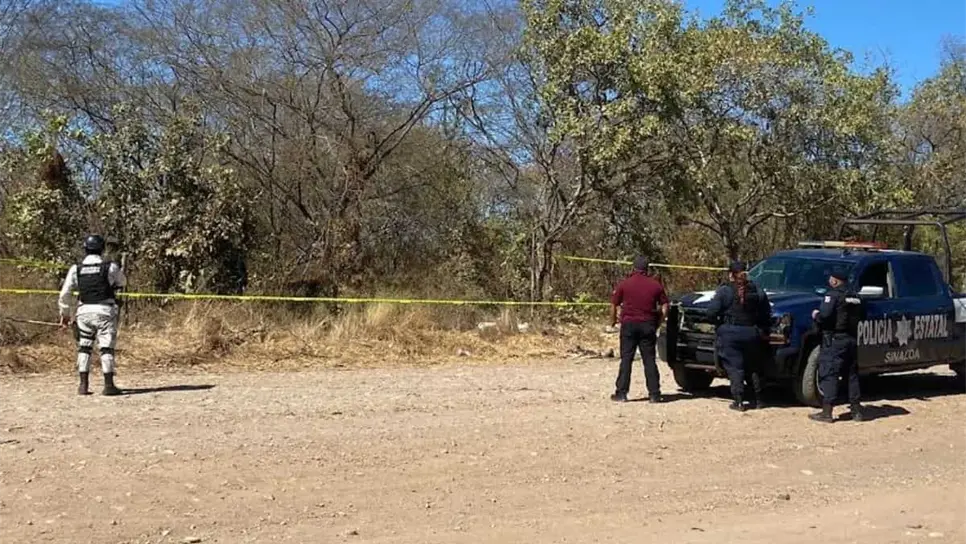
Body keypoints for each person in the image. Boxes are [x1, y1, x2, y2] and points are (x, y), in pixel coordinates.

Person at [58, 234, 126, 396]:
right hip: (105, 311)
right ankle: (109, 385)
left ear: (85, 249)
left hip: (84, 311)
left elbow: (64, 294)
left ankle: (83, 385)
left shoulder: (76, 269)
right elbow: (123, 282)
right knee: (106, 348)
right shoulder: (110, 267)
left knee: (84, 347)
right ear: (102, 249)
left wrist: (65, 315)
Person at [705, 261, 771, 411]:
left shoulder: (725, 291)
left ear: (731, 275)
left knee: (735, 367)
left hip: (731, 333)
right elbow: (766, 312)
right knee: (753, 367)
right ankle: (759, 400)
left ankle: (739, 401)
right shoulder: (757, 289)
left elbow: (711, 312)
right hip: (751, 333)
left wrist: (719, 324)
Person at [610, 255, 669, 403]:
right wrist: (659, 321)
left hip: (629, 325)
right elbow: (665, 306)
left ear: (633, 268)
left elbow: (614, 304)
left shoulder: (624, 284)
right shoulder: (655, 285)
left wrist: (613, 321)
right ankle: (654, 394)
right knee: (649, 359)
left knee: (626, 359)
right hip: (648, 324)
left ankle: (621, 393)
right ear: (647, 268)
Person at [809, 269, 864, 423]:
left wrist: (816, 315)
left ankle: (827, 412)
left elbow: (825, 315)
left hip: (835, 339)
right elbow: (863, 315)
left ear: (834, 281)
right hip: (851, 340)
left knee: (829, 373)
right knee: (852, 375)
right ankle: (856, 411)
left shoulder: (832, 295)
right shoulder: (855, 297)